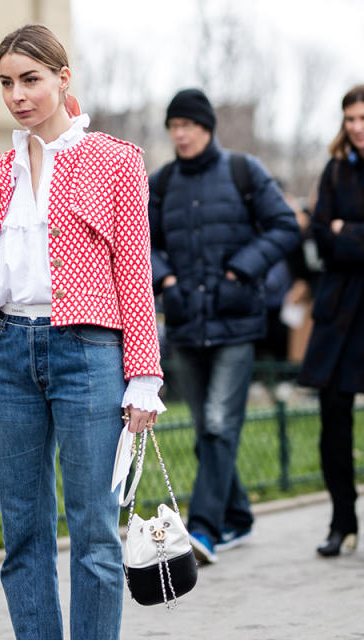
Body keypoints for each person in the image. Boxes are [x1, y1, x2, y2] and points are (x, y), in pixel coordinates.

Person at [0, 24, 165, 640]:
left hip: (88, 352)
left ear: (62, 78)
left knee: (95, 532)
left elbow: (133, 269)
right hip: (7, 356)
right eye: (6, 83)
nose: (17, 95)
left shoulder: (116, 160)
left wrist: (144, 377)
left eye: (30, 79)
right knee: (22, 534)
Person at [148, 88, 299, 564]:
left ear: (207, 127)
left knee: (218, 425)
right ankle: (239, 516)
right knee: (205, 430)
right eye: (173, 127)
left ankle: (205, 529)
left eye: (188, 125)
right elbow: (138, 243)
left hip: (236, 321)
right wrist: (165, 278)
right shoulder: (162, 183)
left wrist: (240, 270)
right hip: (188, 324)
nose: (180, 134)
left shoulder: (243, 171)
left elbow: (283, 225)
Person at [298, 84, 364, 557]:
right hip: (339, 314)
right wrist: (338, 234)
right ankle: (343, 522)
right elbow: (320, 239)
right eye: (351, 119)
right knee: (332, 422)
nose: (357, 128)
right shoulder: (335, 171)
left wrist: (348, 231)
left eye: (363, 118)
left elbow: (336, 233)